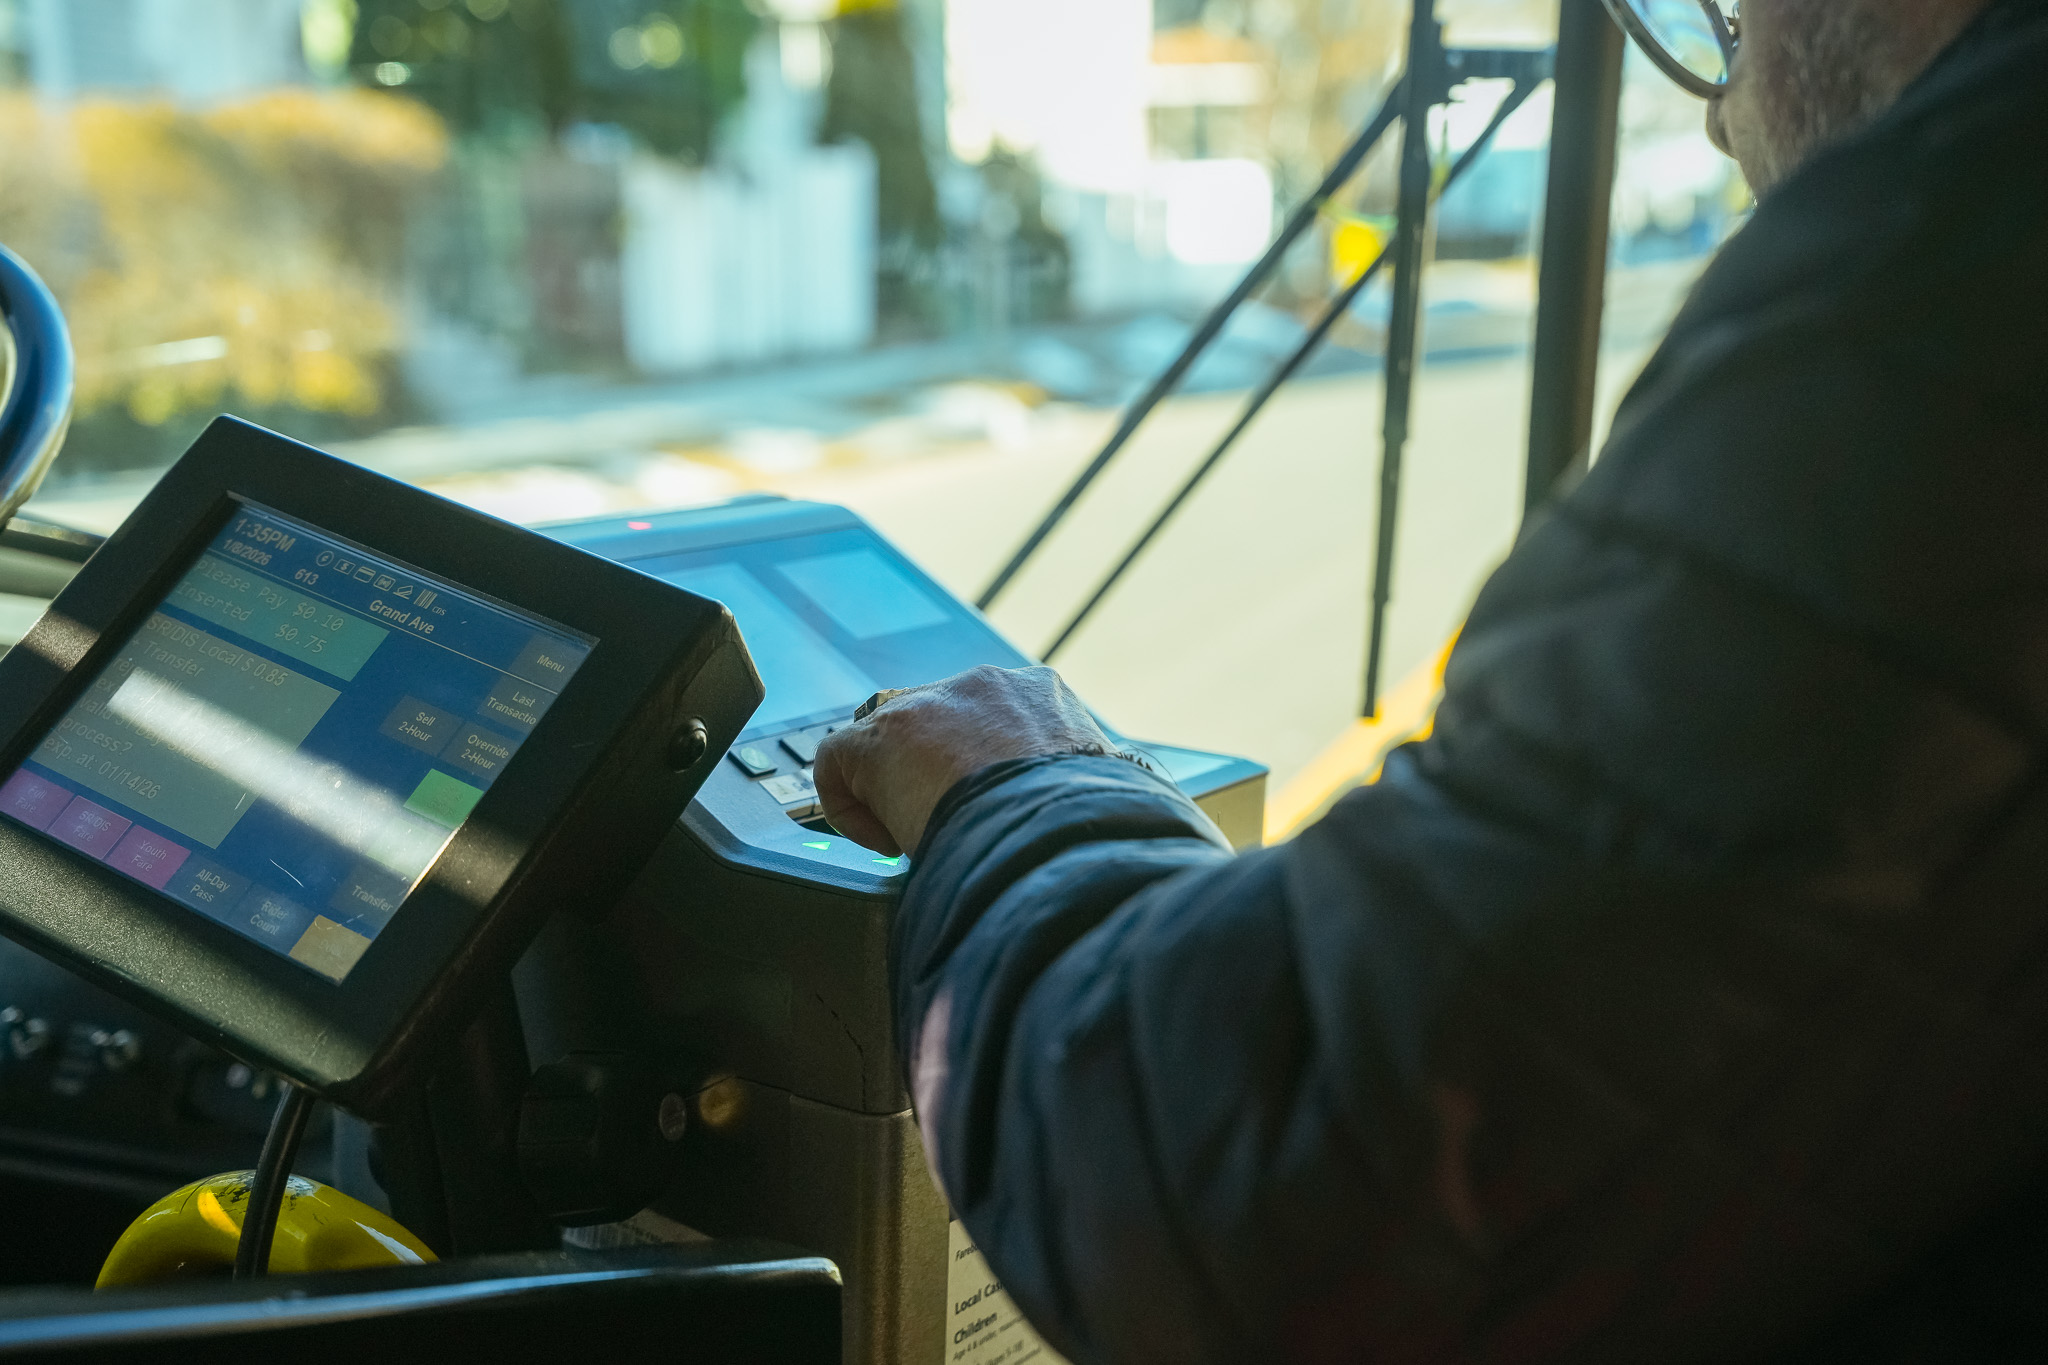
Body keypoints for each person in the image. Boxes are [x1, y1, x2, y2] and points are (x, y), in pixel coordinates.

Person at [812, 0, 2048, 1359]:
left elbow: (1262, 1199)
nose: (1713, 102)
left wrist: (1019, 788)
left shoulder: (1951, 270)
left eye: (1731, 20)